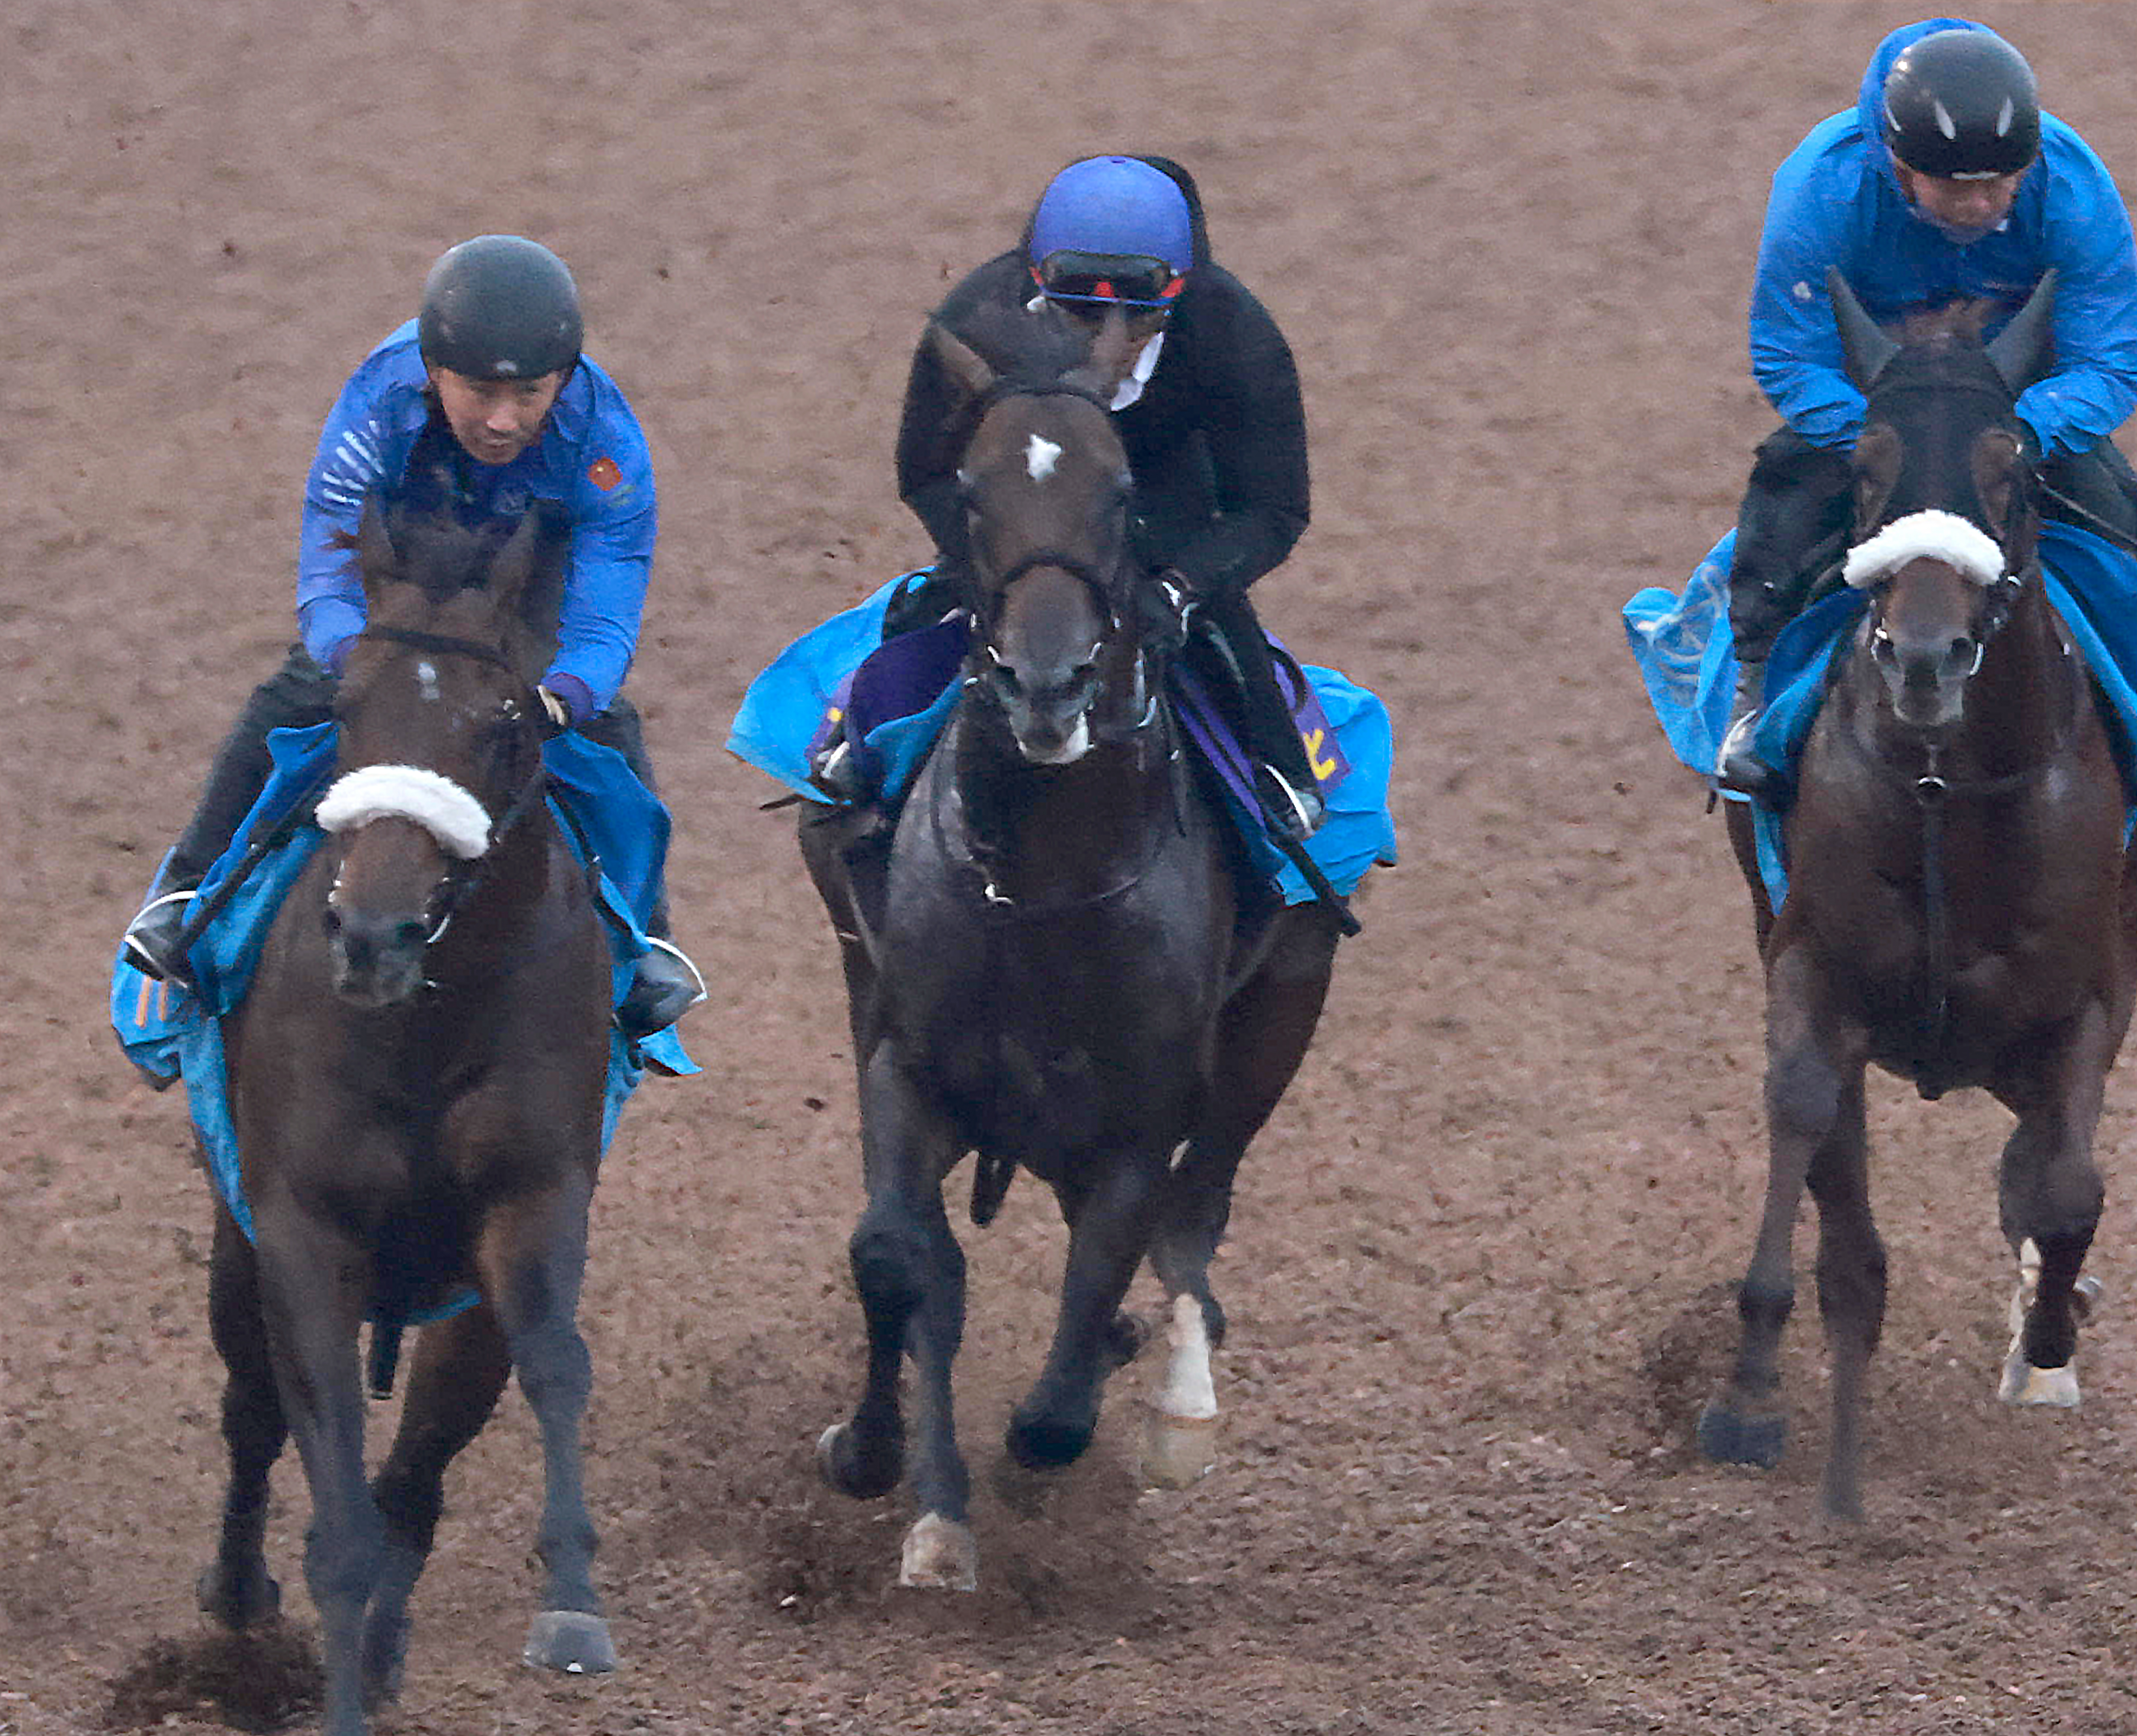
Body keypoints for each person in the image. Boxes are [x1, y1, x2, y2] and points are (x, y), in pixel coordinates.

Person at [121, 234, 704, 1038]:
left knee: (610, 734)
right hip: (401, 569)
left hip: (527, 588)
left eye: (530, 394)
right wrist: (354, 660)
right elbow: (330, 561)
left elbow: (606, 603)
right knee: (291, 696)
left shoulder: (608, 446)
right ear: (433, 372)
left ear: (565, 380)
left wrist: (568, 694)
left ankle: (646, 944)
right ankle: (186, 894)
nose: (503, 420)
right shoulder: (377, 402)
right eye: (480, 392)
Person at [837, 152, 1323, 838]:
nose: (1106, 334)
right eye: (1078, 309)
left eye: (1135, 311)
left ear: (1178, 294)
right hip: (1023, 515)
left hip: (1167, 506)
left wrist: (1181, 588)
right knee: (920, 621)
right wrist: (992, 565)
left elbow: (1274, 508)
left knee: (1229, 640)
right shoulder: (972, 318)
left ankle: (1284, 777)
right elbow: (925, 474)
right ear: (1039, 281)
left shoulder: (1236, 336)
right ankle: (854, 764)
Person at [1715, 19, 2137, 799]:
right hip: (1872, 407)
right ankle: (1753, 696)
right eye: (1954, 187)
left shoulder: (2075, 190)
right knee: (1780, 516)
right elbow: (1789, 354)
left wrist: (2025, 432)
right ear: (1899, 167)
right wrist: (1882, 437)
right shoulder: (1823, 186)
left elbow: (2110, 358)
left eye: (1999, 185)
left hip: (2018, 415)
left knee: (2123, 534)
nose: (1979, 204)